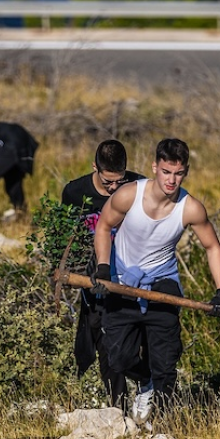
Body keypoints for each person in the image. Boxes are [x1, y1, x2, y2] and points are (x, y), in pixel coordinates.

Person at [92, 138, 220, 422]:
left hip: (162, 282)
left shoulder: (190, 208)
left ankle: (164, 426)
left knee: (165, 363)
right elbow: (104, 227)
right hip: (122, 279)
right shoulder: (128, 195)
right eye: (166, 172)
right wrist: (104, 268)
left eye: (178, 173)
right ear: (155, 167)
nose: (172, 180)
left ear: (186, 172)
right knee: (117, 357)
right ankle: (146, 382)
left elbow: (212, 247)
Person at [61, 140, 147, 414]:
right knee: (102, 340)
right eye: (108, 182)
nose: (114, 189)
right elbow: (67, 238)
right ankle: (119, 412)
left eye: (119, 181)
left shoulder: (140, 187)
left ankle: (152, 386)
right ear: (94, 168)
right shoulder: (75, 192)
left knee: (137, 341)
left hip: (133, 277)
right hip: (95, 277)